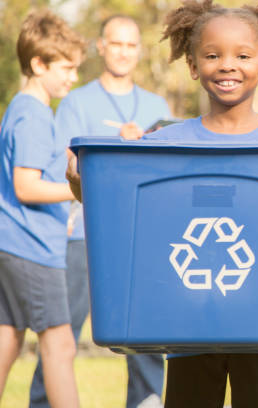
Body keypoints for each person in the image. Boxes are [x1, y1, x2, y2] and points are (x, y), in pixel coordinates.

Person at [66, 1, 258, 407]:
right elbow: (112, 200)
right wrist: (80, 179)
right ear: (194, 66)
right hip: (185, 327)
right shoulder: (164, 144)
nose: (227, 65)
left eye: (243, 56)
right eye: (212, 55)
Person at [29, 14, 172, 408]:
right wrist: (115, 142)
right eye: (117, 43)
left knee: (145, 338)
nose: (124, 52)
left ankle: (146, 402)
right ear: (101, 46)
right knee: (62, 335)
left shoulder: (157, 105)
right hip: (83, 237)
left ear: (139, 52)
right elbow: (64, 164)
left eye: (131, 45)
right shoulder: (76, 102)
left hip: (143, 238)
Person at [0, 10, 85, 407]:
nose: (73, 77)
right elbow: (26, 186)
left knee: (7, 338)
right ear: (38, 63)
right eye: (66, 68)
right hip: (32, 250)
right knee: (60, 345)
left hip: (17, 244)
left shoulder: (24, 108)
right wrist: (79, 192)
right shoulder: (33, 115)